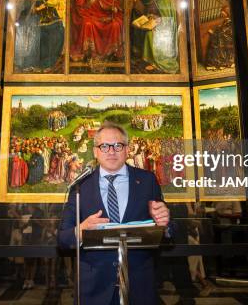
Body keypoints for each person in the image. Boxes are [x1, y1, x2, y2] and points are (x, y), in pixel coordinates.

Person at [58, 122, 173, 304]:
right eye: (104, 146)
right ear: (95, 151)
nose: (111, 151)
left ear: (127, 149)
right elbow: (63, 238)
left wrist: (165, 222)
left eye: (117, 145)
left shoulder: (147, 181)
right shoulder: (80, 187)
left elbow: (168, 230)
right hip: (94, 290)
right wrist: (80, 231)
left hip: (139, 286)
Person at [70, 0, 123, 64]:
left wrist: (113, 8)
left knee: (116, 24)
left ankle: (112, 52)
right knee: (87, 24)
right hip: (90, 14)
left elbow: (114, 3)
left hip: (105, 15)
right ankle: (88, 53)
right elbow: (80, 4)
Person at [131, 0, 179, 73]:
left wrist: (158, 20)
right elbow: (143, 11)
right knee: (141, 31)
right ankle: (149, 61)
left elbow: (169, 16)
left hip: (163, 25)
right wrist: (135, 1)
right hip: (150, 22)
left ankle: (155, 62)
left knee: (149, 35)